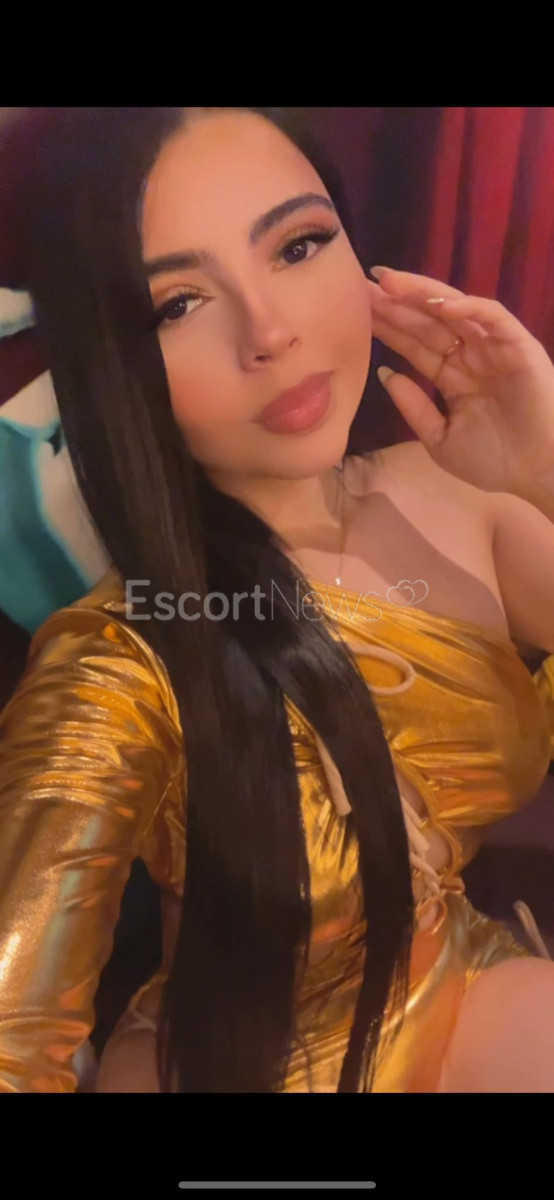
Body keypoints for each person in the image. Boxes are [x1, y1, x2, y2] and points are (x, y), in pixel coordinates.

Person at [0, 106, 553, 1094]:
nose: (270, 333)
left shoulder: (464, 495)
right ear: (118, 358)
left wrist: (546, 467)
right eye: (178, 303)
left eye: (297, 246)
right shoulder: (119, 660)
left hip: (454, 981)